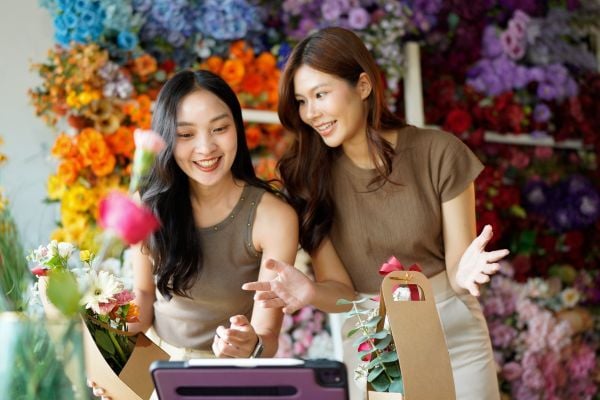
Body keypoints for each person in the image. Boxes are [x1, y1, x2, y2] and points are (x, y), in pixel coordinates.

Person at [242, 27, 508, 400]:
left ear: (363, 86)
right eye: (302, 101)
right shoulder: (308, 180)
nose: (311, 112)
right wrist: (310, 292)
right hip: (374, 344)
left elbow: (458, 270)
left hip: (452, 332)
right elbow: (342, 292)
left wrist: (465, 272)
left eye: (321, 94)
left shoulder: (439, 153)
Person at [90, 69, 298, 399]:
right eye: (186, 134)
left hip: (231, 378)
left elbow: (267, 335)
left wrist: (249, 343)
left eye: (219, 128)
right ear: (166, 140)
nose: (205, 147)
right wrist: (104, 332)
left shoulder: (273, 218)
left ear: (237, 129)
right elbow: (143, 300)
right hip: (155, 368)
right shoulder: (147, 205)